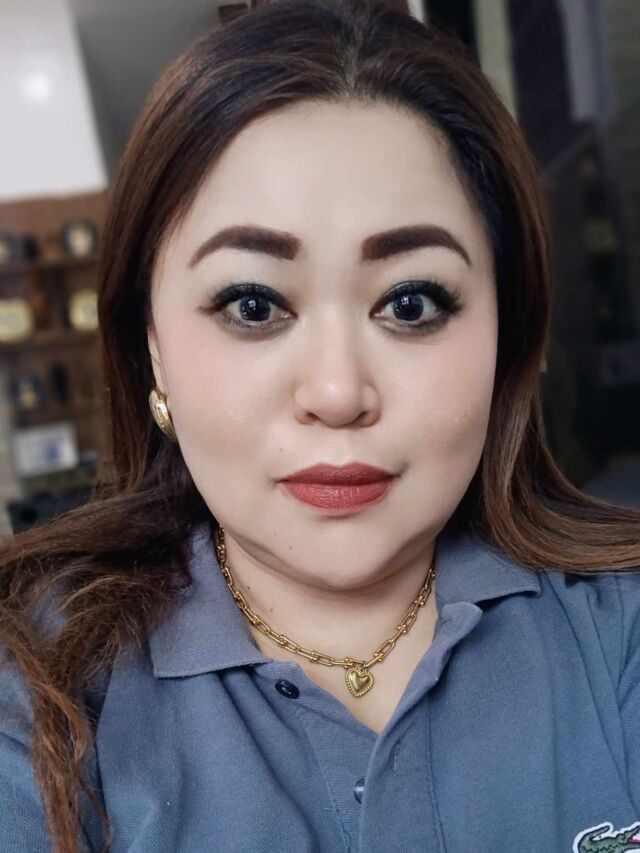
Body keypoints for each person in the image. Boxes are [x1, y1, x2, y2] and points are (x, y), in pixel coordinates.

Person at [1, 1, 640, 851]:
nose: (338, 393)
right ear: (153, 350)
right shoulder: (35, 691)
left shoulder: (619, 631)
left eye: (411, 303)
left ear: (507, 337)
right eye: (253, 304)